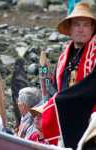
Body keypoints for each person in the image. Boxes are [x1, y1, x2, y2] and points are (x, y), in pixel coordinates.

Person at [42, 2, 96, 149]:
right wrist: (45, 106)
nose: (81, 29)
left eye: (86, 25)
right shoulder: (63, 57)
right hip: (67, 115)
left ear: (92, 28)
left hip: (92, 116)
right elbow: (54, 89)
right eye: (77, 25)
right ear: (70, 29)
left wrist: (63, 101)